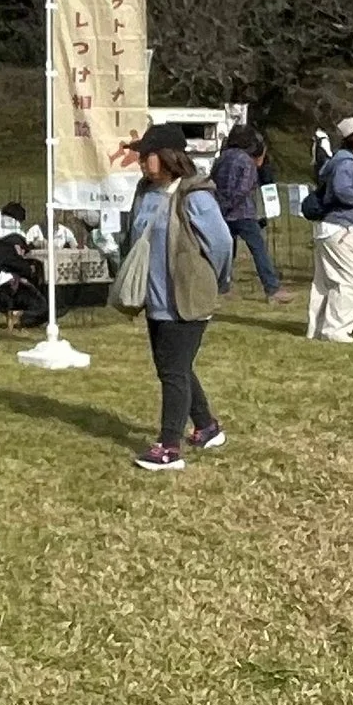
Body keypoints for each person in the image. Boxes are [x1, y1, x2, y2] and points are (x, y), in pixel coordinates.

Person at [123, 124, 233, 472]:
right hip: (155, 300)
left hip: (187, 299)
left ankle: (169, 447)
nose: (141, 161)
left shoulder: (194, 195)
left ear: (168, 156)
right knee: (173, 367)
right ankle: (207, 426)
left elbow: (221, 244)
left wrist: (216, 280)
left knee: (173, 371)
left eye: (147, 154)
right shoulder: (144, 192)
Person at [309, 118, 353, 343]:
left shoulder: (338, 160)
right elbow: (342, 190)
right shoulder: (346, 163)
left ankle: (318, 328)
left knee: (326, 282)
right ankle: (336, 329)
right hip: (341, 227)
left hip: (329, 227)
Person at [211, 125, 285, 303]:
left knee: (227, 251)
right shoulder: (246, 160)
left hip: (222, 211)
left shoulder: (221, 158)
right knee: (258, 250)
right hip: (243, 212)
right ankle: (272, 289)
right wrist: (232, 203)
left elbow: (213, 182)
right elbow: (244, 188)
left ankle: (222, 287)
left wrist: (222, 206)